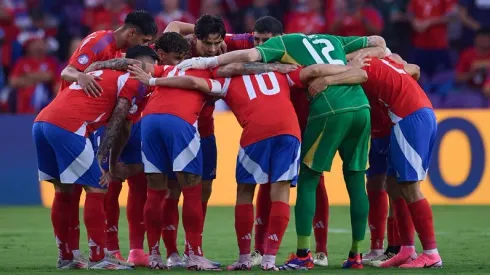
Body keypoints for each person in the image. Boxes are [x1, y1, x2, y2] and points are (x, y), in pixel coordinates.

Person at [176, 33, 386, 269]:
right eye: (258, 38)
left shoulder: (270, 54)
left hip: (320, 113)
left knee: (295, 181)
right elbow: (377, 45)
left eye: (266, 39)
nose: (263, 43)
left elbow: (232, 64)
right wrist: (349, 65)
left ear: (281, 36)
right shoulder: (320, 48)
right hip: (352, 110)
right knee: (353, 181)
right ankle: (351, 255)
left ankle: (292, 255)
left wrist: (203, 63)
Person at [32, 45, 158, 270]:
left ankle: (66, 256)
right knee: (98, 188)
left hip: (42, 122)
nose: (153, 74)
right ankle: (99, 258)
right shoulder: (134, 82)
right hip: (68, 126)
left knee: (63, 190)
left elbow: (93, 66)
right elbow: (120, 124)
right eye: (153, 67)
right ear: (141, 64)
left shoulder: (102, 71)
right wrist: (106, 162)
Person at [311, 53, 441, 268]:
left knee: (410, 187)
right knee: (392, 184)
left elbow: (359, 74)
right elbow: (413, 68)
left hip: (410, 116)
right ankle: (406, 249)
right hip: (409, 114)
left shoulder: (360, 66)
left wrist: (327, 80)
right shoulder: (386, 61)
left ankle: (431, 253)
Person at [82, 31, 191, 267]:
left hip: (137, 128)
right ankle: (110, 247)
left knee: (139, 185)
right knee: (108, 186)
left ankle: (135, 249)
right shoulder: (124, 70)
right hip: (108, 129)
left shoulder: (155, 72)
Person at [57, 10, 157, 263]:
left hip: (91, 122)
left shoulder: (117, 53)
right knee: (88, 187)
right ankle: (94, 254)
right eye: (144, 42)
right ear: (132, 33)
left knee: (90, 185)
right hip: (77, 121)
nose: (144, 47)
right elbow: (67, 72)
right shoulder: (100, 41)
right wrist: (80, 75)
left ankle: (77, 255)